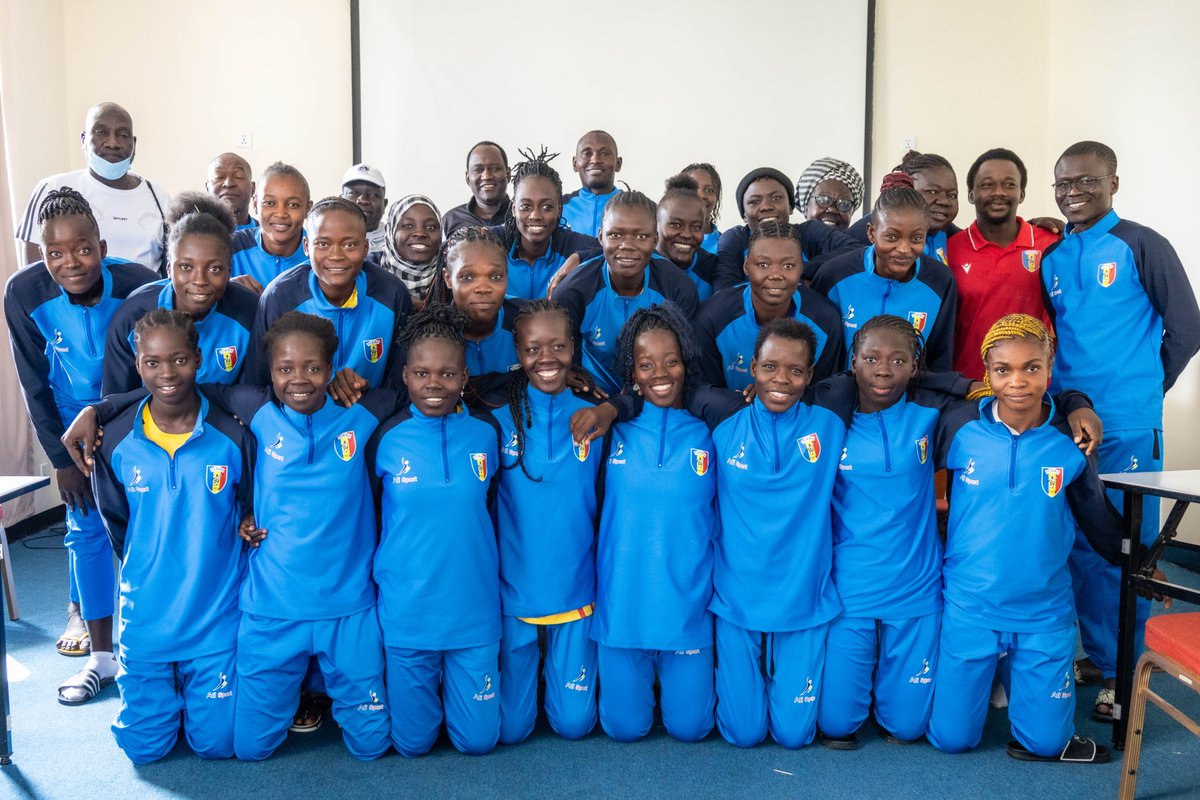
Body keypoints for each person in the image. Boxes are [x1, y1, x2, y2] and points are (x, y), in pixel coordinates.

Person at [1040, 140, 1200, 721]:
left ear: (1113, 181)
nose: (1073, 191)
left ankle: (1125, 672)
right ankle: (1103, 656)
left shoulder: (1141, 244)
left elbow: (1187, 327)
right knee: (1083, 544)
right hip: (1068, 418)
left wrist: (1144, 391)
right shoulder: (1055, 257)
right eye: (1063, 183)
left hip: (1129, 426)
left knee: (1126, 549)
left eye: (1085, 180)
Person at [927, 314, 1121, 764]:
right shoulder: (958, 427)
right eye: (1003, 370)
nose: (1018, 382)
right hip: (971, 606)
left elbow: (1097, 517)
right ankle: (997, 676)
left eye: (1031, 368)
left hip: (1043, 612)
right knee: (951, 740)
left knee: (1047, 745)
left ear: (1049, 368)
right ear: (987, 374)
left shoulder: (1070, 440)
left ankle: (1024, 684)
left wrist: (1139, 564)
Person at [4, 188, 157, 702]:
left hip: (134, 415)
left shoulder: (139, 283)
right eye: (56, 253)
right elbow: (33, 381)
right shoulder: (23, 293)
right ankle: (101, 659)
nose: (71, 262)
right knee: (86, 528)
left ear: (103, 243)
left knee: (149, 528)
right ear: (41, 254)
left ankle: (151, 646)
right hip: (71, 428)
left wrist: (114, 417)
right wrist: (60, 463)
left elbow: (159, 362)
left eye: (84, 249)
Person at [79, 310, 251, 762]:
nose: (167, 373)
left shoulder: (232, 433)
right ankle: (162, 690)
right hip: (147, 617)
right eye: (152, 362)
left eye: (179, 360)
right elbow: (118, 524)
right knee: (143, 750)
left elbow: (250, 510)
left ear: (199, 358)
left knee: (218, 745)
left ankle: (193, 688)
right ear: (138, 365)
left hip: (216, 618)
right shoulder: (114, 440)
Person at [684, 319, 856, 749]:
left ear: (811, 376)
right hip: (736, 598)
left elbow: (883, 371)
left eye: (795, 371)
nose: (781, 380)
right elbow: (664, 382)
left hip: (805, 599)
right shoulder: (722, 419)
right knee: (744, 735)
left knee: (794, 736)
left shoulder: (832, 422)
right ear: (752, 369)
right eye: (770, 368)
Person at [234, 311, 394, 761]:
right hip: (272, 608)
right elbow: (186, 391)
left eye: (313, 368)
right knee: (250, 750)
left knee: (372, 745)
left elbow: (420, 383)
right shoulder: (257, 411)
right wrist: (99, 409)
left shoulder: (363, 414)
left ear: (332, 368)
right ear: (270, 372)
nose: (299, 379)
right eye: (285, 369)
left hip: (348, 608)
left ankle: (325, 692)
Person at [368, 304, 502, 756]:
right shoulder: (384, 436)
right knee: (413, 744)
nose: (434, 384)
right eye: (422, 373)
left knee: (478, 742)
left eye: (447, 374)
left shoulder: (486, 433)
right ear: (405, 375)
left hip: (473, 611)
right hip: (408, 613)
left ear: (465, 377)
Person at [593, 303, 716, 743]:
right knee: (625, 729)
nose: (660, 373)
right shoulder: (611, 431)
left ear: (686, 361)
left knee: (691, 729)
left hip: (687, 610)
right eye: (646, 364)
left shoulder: (710, 431)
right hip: (622, 609)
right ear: (632, 370)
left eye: (671, 361)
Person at [492, 300, 605, 744]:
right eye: (533, 347)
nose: (547, 358)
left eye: (558, 346)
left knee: (574, 726)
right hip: (513, 594)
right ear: (517, 351)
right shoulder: (497, 421)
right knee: (513, 731)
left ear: (574, 348)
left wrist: (611, 406)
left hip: (576, 588)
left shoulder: (595, 418)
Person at [248, 197, 411, 390]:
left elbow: (399, 381)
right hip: (300, 414)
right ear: (307, 247)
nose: (336, 256)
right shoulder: (280, 297)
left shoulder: (392, 293)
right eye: (323, 244)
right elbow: (258, 381)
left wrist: (370, 400)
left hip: (369, 413)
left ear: (366, 248)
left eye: (349, 245)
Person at [103, 192, 257, 393]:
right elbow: (116, 399)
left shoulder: (249, 312)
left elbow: (253, 394)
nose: (200, 281)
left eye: (215, 269)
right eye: (185, 267)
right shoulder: (133, 315)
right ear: (169, 269)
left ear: (229, 270)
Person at [554, 191, 700, 395]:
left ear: (655, 239)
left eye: (641, 236)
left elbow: (686, 366)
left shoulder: (678, 289)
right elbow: (569, 367)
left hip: (654, 394)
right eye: (615, 235)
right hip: (592, 395)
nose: (627, 246)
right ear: (600, 236)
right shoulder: (573, 292)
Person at [811, 178, 957, 371]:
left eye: (916, 238)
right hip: (838, 396)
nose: (904, 249)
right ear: (872, 233)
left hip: (907, 398)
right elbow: (816, 346)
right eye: (892, 237)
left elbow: (940, 359)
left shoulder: (940, 281)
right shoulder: (835, 274)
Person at [16, 102, 171, 273]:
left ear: (134, 145)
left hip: (145, 299)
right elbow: (32, 273)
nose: (113, 143)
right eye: (101, 132)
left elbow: (170, 270)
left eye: (123, 135)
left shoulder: (159, 197)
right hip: (70, 300)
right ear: (84, 140)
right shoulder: (52, 189)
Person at [945, 148, 1057, 381]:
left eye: (1008, 184)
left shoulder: (1051, 243)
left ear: (1022, 193)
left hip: (1031, 390)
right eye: (987, 185)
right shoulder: (950, 250)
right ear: (971, 194)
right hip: (969, 386)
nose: (998, 192)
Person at [696, 221, 843, 390]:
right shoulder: (712, 317)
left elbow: (822, 394)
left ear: (801, 267)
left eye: (788, 266)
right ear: (746, 266)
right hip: (730, 414)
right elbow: (702, 391)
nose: (775, 275)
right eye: (763, 265)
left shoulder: (826, 320)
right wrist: (745, 404)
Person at [712, 167, 859, 291]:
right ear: (744, 215)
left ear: (790, 207)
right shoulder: (734, 240)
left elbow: (855, 250)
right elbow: (724, 289)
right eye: (754, 201)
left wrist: (801, 269)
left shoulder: (809, 232)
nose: (766, 206)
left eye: (776, 198)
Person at [489, 147, 600, 300]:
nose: (535, 215)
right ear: (514, 208)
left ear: (558, 210)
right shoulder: (497, 241)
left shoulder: (569, 245)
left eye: (546, 206)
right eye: (526, 206)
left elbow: (612, 249)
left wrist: (579, 258)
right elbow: (455, 247)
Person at [439, 226, 526, 408]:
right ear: (448, 279)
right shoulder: (434, 336)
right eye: (467, 277)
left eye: (495, 276)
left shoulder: (526, 321)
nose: (483, 288)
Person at [848, 151, 960, 265]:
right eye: (932, 191)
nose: (944, 201)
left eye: (952, 195)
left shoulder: (946, 232)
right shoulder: (875, 227)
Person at [229, 162, 311, 293]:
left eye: (293, 205)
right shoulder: (231, 246)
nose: (280, 213)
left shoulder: (318, 254)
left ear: (308, 208)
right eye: (270, 203)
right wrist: (225, 288)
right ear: (255, 204)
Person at [657, 174, 719, 302]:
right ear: (656, 224)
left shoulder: (711, 269)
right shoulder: (641, 264)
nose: (686, 234)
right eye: (676, 225)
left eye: (696, 227)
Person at [379, 194, 442, 309]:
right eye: (408, 226)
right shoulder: (368, 274)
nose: (420, 233)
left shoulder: (451, 276)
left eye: (431, 227)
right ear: (391, 232)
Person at [443, 141, 512, 236]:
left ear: (508, 174)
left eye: (495, 169)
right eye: (478, 170)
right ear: (468, 178)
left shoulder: (522, 217)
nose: (487, 176)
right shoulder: (451, 220)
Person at [562, 130, 622, 237]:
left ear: (618, 164)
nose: (595, 160)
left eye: (605, 153)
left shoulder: (638, 209)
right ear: (575, 164)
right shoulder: (559, 207)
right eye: (587, 153)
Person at [795, 158, 864, 232]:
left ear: (852, 211)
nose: (832, 209)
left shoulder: (859, 243)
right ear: (806, 206)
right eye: (823, 200)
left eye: (844, 204)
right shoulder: (786, 242)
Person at [340, 164, 388, 255]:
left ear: (384, 204)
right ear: (340, 200)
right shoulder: (322, 239)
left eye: (373, 195)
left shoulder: (397, 244)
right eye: (354, 193)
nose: (363, 200)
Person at [205, 153, 257, 231]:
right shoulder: (192, 234)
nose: (228, 184)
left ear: (252, 189)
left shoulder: (268, 235)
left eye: (238, 177)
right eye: (219, 177)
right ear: (207, 188)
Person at [682, 162, 723, 254]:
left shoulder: (725, 245)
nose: (702, 195)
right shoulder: (667, 241)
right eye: (693, 189)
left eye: (709, 190)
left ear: (716, 197)